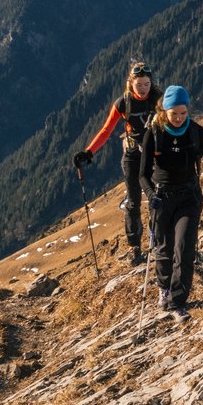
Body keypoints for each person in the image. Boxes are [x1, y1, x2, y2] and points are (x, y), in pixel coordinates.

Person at [141, 85, 203, 321]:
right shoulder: (154, 132)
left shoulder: (197, 133)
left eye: (183, 112)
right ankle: (164, 288)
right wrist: (152, 196)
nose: (179, 118)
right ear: (164, 111)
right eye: (174, 113)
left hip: (189, 198)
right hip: (162, 198)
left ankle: (177, 303)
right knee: (164, 249)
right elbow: (142, 174)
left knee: (184, 248)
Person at [73, 62, 162, 265]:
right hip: (132, 155)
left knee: (158, 196)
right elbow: (106, 130)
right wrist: (89, 152)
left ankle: (156, 240)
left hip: (155, 154)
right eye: (139, 85)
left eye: (147, 84)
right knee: (133, 202)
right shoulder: (123, 103)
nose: (143, 89)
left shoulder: (160, 100)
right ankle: (134, 247)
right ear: (130, 84)